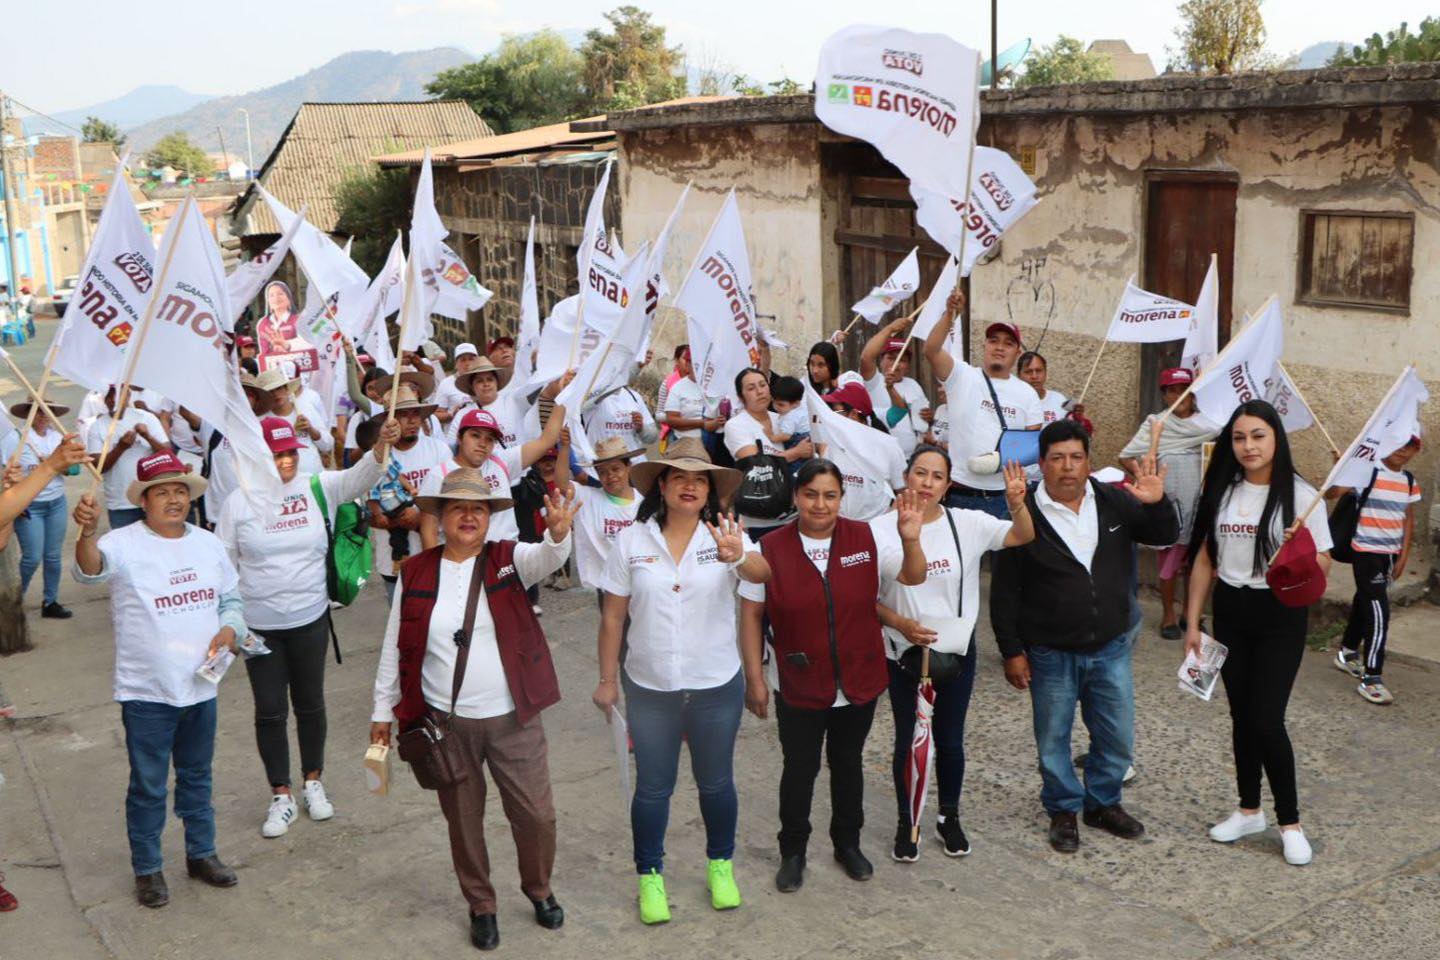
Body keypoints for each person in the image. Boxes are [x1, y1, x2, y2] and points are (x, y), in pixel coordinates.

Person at [371, 470, 578, 952]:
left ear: (490, 519)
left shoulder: (509, 560)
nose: (468, 516)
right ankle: (481, 904)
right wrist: (383, 710)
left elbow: (547, 555)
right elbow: (394, 646)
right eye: (457, 508)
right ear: (440, 517)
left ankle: (539, 889)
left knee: (537, 816)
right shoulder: (417, 571)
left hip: (514, 718)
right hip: (446, 723)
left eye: (479, 509)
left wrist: (559, 532)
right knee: (463, 823)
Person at [591, 439, 770, 925]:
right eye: (679, 477)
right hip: (650, 686)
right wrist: (608, 680)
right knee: (652, 787)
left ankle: (721, 866)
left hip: (715, 683)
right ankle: (650, 876)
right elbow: (612, 618)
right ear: (663, 487)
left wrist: (737, 556)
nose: (689, 486)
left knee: (715, 783)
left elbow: (763, 574)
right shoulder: (632, 540)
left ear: (710, 490)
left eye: (700, 479)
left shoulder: (726, 533)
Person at [738, 460, 928, 891]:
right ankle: (793, 851)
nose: (820, 505)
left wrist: (911, 539)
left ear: (842, 498)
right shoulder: (767, 548)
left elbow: (913, 576)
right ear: (795, 497)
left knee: (848, 764)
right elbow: (751, 615)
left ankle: (847, 844)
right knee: (799, 768)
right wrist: (755, 678)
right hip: (798, 679)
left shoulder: (867, 536)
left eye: (830, 495)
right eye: (810, 494)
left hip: (859, 677)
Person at [991, 420, 1177, 854]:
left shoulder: (1114, 501)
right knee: (1053, 739)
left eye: (1076, 458)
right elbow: (1004, 591)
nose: (1067, 468)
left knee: (1116, 736)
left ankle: (1102, 803)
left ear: (1089, 462)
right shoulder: (1024, 515)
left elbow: (1164, 534)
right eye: (1057, 458)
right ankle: (1062, 809)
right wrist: (1011, 651)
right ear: (1042, 463)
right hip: (1051, 653)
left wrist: (1156, 502)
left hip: (1110, 648)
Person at [71, 452, 246, 908]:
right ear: (144, 501)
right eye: (162, 492)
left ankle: (201, 853)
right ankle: (147, 869)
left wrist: (230, 630)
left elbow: (231, 599)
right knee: (148, 785)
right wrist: (87, 534)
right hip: (147, 692)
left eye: (180, 490)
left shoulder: (207, 544)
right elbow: (91, 572)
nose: (174, 499)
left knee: (197, 776)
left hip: (201, 688)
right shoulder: (123, 543)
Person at [216, 414, 399, 838]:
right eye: (275, 455)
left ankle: (313, 782)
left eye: (289, 453)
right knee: (270, 709)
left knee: (311, 703)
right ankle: (281, 794)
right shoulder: (237, 504)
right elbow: (224, 569)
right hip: (258, 628)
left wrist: (380, 448)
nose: (284, 462)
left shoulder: (317, 486)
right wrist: (231, 622)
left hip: (310, 619)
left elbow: (360, 477)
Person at [1184, 400, 1333, 866]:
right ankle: (1249, 809)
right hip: (1231, 610)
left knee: (1267, 718)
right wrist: (1192, 622)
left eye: (1258, 436)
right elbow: (1206, 560)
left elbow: (1323, 566)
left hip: (1278, 614)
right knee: (1241, 717)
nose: (1248, 446)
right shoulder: (1222, 492)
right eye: (1239, 437)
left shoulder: (1303, 495)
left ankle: (1290, 822)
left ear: (1276, 439)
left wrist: (1301, 552)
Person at [877, 446, 1035, 861]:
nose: (927, 483)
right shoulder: (878, 528)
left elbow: (1022, 535)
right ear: (906, 476)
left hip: (955, 653)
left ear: (948, 486)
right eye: (920, 473)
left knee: (949, 740)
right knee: (908, 740)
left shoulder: (968, 523)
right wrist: (900, 624)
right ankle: (905, 820)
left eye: (937, 476)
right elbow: (864, 598)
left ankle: (949, 816)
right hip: (903, 653)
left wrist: (1017, 505)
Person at [923, 287, 1042, 517]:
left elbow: (1032, 445)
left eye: (1008, 343)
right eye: (993, 340)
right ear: (984, 345)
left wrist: (998, 461)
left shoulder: (1027, 394)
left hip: (1003, 497)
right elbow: (931, 350)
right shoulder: (961, 375)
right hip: (959, 492)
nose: (999, 347)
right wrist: (950, 314)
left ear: (1017, 352)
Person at [1119, 367, 1216, 639]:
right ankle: (1168, 615)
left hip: (1201, 506)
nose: (1179, 395)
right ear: (1164, 395)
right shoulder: (1156, 424)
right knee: (1169, 564)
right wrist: (1143, 475)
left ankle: (1191, 614)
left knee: (1199, 562)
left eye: (1184, 389)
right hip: (1169, 507)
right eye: (1172, 390)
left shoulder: (1209, 425)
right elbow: (1126, 456)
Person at [1333, 435, 1421, 704]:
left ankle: (1347, 652)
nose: (1401, 450)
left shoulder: (1408, 481)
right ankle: (1372, 677)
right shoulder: (1366, 473)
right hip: (1365, 552)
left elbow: (1408, 519)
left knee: (1365, 600)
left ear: (1416, 450)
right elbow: (1331, 493)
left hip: (1389, 555)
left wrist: (1403, 556)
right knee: (1379, 609)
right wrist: (1341, 471)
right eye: (1397, 442)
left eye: (1409, 445)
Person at [419, 404, 567, 549]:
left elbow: (546, 441)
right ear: (459, 437)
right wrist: (434, 570)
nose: (482, 443)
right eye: (475, 435)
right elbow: (428, 530)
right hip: (463, 564)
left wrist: (564, 397)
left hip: (506, 558)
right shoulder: (439, 475)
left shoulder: (501, 462)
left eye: (489, 439)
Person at [367, 385, 451, 602]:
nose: (412, 420)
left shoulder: (439, 450)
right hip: (394, 563)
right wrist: (394, 520)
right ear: (388, 420)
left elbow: (455, 501)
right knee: (402, 629)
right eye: (403, 415)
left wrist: (421, 518)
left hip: (437, 555)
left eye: (416, 414)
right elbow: (367, 513)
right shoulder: (375, 459)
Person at [2, 397, 77, 618]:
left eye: (47, 412)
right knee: (32, 557)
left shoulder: (58, 438)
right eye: (38, 412)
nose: (43, 417)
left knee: (53, 556)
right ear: (28, 414)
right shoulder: (17, 438)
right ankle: (14, 601)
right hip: (29, 507)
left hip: (56, 503)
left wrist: (56, 464)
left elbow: (75, 471)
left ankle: (50, 602)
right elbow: (5, 470)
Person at [724, 368, 813, 539]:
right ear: (741, 397)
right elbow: (755, 463)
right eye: (751, 388)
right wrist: (796, 452)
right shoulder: (736, 425)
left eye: (763, 385)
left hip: (796, 515)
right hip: (761, 517)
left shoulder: (783, 417)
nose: (759, 391)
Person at [554, 435, 641, 596]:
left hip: (640, 585)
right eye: (602, 472)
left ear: (628, 467)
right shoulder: (588, 498)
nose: (610, 476)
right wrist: (564, 448)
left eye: (616, 469)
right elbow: (561, 485)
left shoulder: (645, 503)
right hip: (606, 587)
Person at [818, 382, 906, 521]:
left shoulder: (889, 446)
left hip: (875, 530)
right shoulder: (833, 444)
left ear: (853, 414)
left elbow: (902, 493)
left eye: (836, 412)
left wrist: (885, 524)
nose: (832, 418)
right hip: (838, 527)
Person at [86, 386, 170, 531]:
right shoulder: (97, 426)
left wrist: (148, 437)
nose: (113, 400)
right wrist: (120, 448)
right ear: (104, 400)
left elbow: (168, 455)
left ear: (128, 396)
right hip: (120, 503)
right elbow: (97, 467)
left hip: (152, 499)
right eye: (109, 397)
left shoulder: (146, 418)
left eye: (118, 396)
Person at [861, 322, 930, 457]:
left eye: (902, 360)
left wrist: (929, 417)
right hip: (880, 456)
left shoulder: (913, 385)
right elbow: (866, 357)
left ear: (908, 366)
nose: (896, 364)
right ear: (881, 361)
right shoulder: (874, 381)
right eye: (891, 358)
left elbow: (922, 421)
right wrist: (890, 328)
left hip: (910, 458)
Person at [257, 366, 331, 474]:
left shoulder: (306, 409)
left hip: (313, 480)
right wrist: (291, 432)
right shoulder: (261, 421)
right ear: (264, 397)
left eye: (279, 388)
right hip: (283, 485)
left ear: (287, 389)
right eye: (270, 391)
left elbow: (328, 445)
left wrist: (311, 430)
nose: (275, 394)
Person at [662, 348, 723, 443]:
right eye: (696, 363)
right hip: (686, 444)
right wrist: (703, 424)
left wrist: (718, 422)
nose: (701, 367)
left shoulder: (718, 387)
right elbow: (671, 420)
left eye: (705, 363)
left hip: (715, 445)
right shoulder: (678, 388)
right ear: (687, 364)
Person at [584, 384, 659, 460]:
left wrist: (641, 428)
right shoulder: (589, 397)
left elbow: (652, 437)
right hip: (601, 464)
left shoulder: (634, 396)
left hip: (633, 464)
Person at [435, 343, 482, 418]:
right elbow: (437, 414)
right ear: (456, 364)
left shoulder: (486, 380)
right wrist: (452, 415)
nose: (467, 363)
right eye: (463, 360)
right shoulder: (446, 383)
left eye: (471, 359)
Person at [256, 281, 300, 358]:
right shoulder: (263, 323)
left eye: (280, 294)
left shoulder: (298, 320)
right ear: (268, 301)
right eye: (271, 295)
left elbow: (307, 345)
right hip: (274, 367)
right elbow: (264, 352)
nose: (276, 298)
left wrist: (287, 345)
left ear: (289, 299)